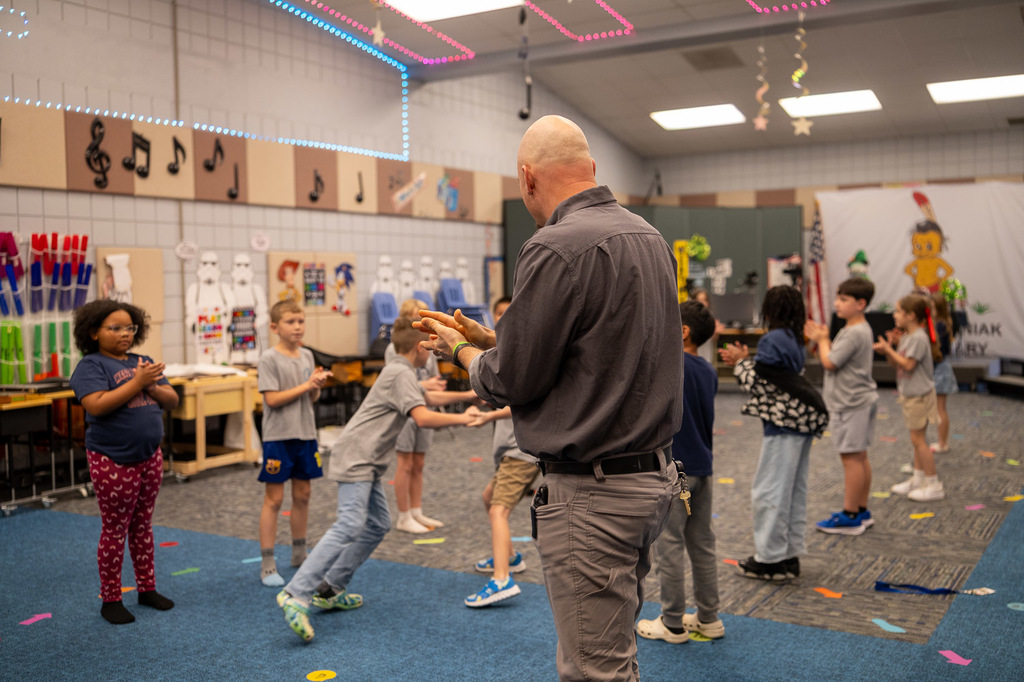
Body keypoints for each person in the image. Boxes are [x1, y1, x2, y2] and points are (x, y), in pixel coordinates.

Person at [417, 114, 682, 681]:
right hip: (650, 480)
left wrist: (461, 352)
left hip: (593, 494)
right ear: (590, 169)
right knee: (615, 656)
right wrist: (495, 340)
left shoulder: (554, 246)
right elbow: (598, 354)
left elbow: (510, 383)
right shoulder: (650, 239)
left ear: (527, 179)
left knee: (593, 671)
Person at [276, 319, 479, 642]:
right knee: (349, 524)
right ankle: (296, 592)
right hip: (357, 458)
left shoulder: (401, 372)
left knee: (376, 524)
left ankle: (330, 588)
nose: (432, 354)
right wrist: (465, 418)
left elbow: (426, 400)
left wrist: (468, 398)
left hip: (365, 461)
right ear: (418, 348)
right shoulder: (400, 373)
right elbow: (423, 417)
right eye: (429, 348)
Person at [70, 300, 180, 625]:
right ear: (93, 332)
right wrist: (137, 382)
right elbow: (97, 405)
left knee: (143, 524)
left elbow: (172, 399)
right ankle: (111, 598)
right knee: (115, 529)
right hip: (112, 459)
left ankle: (147, 589)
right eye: (114, 328)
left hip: (149, 457)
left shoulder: (142, 362)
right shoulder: (91, 366)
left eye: (130, 327)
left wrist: (149, 383)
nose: (124, 333)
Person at [719, 286, 828, 581]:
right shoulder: (794, 339)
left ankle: (769, 559)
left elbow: (762, 384)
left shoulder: (772, 339)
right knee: (792, 491)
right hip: (802, 423)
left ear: (770, 311)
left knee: (769, 491)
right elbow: (776, 377)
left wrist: (740, 363)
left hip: (783, 426)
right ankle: (788, 555)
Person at [637, 301, 725, 643]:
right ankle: (709, 618)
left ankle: (672, 622)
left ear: (683, 331)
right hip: (703, 468)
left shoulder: (671, 367)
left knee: (670, 544)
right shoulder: (708, 369)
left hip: (677, 471)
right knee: (702, 543)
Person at [463, 296, 539, 608]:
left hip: (521, 452)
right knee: (488, 497)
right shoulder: (500, 353)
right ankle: (510, 557)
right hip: (509, 451)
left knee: (498, 510)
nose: (503, 318)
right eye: (498, 313)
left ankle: (501, 579)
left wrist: (489, 415)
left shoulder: (525, 354)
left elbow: (522, 401)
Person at [256, 300, 333, 587]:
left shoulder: (308, 356)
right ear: (275, 327)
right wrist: (306, 386)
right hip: (278, 437)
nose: (298, 327)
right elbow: (272, 399)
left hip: (306, 434)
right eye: (291, 322)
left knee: (303, 495)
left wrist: (316, 387)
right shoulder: (269, 359)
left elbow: (309, 398)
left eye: (301, 321)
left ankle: (299, 554)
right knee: (274, 500)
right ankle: (267, 563)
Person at [385, 298, 477, 533]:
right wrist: (424, 386)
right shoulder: (395, 348)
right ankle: (404, 515)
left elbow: (432, 380)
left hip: (424, 404)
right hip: (406, 411)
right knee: (405, 463)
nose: (423, 320)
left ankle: (416, 511)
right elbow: (401, 382)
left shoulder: (429, 343)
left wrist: (435, 386)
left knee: (419, 462)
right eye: (417, 315)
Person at [805, 278, 879, 535]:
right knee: (859, 456)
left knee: (851, 459)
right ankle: (860, 510)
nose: (837, 303)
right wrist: (823, 342)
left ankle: (850, 516)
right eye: (837, 298)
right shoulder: (857, 329)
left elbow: (830, 362)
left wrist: (823, 339)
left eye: (843, 299)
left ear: (861, 304)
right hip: (858, 401)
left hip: (851, 403)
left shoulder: (855, 331)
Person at [873, 294, 944, 501]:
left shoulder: (918, 338)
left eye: (897, 311)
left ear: (910, 316)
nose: (894, 315)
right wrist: (891, 348)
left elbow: (908, 365)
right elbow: (896, 363)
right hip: (912, 395)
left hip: (919, 396)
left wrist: (888, 349)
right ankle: (918, 478)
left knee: (919, 440)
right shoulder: (908, 337)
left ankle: (933, 484)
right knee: (916, 440)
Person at [929, 291, 959, 454]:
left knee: (941, 408)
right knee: (940, 408)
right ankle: (942, 440)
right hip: (941, 367)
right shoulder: (942, 323)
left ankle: (942, 442)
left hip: (941, 368)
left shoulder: (940, 325)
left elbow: (938, 350)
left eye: (932, 307)